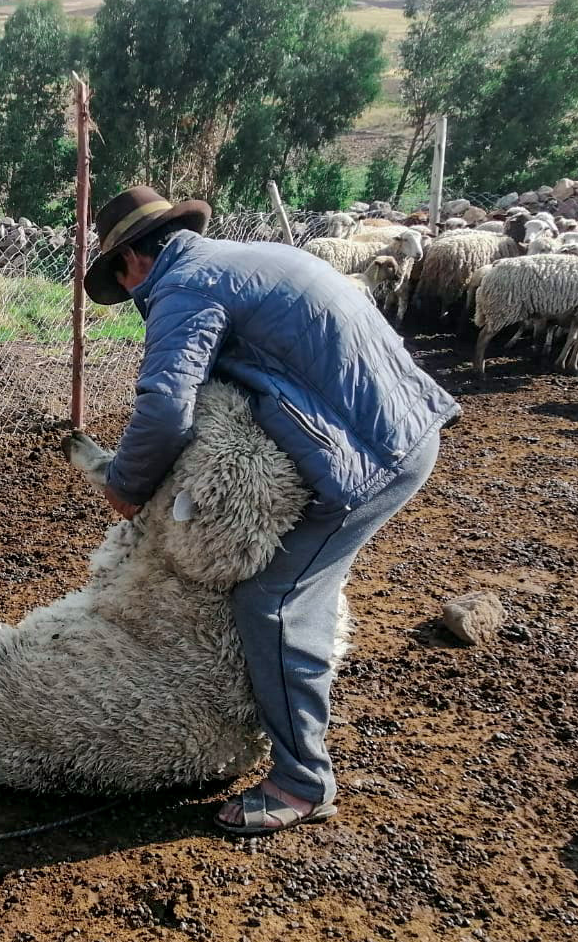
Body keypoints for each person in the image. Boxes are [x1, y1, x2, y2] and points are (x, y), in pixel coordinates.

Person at [80, 186, 459, 835]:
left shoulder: (184, 287)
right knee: (288, 585)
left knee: (275, 603)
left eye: (125, 288)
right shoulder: (247, 259)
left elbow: (167, 403)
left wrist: (125, 483)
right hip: (399, 420)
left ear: (129, 264)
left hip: (372, 456)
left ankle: (302, 782)